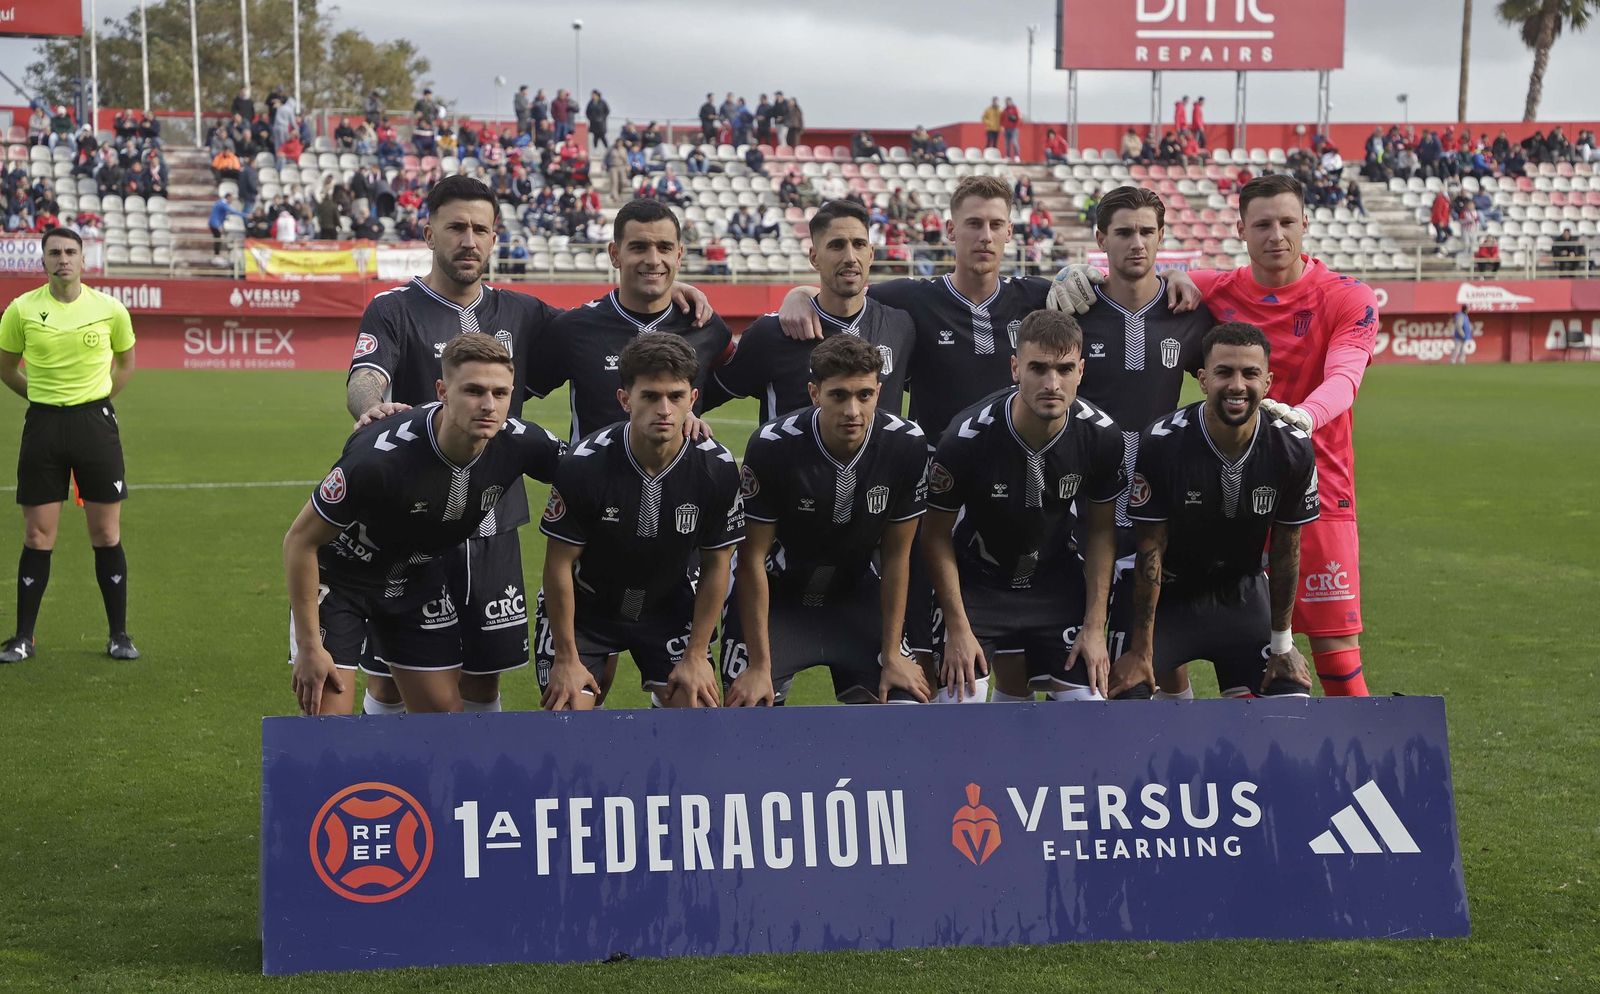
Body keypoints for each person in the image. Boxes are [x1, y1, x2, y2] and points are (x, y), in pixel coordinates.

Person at [1055, 174, 1380, 696]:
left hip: (1317, 485)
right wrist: (1075, 271)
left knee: (1335, 655)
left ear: (1306, 225)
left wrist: (1303, 418)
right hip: (1223, 495)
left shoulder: (1348, 297)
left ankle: (1363, 771)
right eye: (1263, 224)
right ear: (1242, 231)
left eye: (1287, 222)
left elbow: (1345, 377)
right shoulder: (1214, 292)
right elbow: (1144, 274)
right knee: (1223, 642)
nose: (1276, 235)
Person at [777, 177, 1062, 693]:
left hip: (1019, 498)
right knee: (941, 664)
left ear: (1010, 233)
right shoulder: (911, 300)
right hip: (937, 505)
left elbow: (1116, 292)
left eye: (997, 225)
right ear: (950, 230)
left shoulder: (1039, 299)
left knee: (1017, 660)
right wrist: (797, 294)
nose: (985, 236)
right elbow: (842, 288)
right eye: (973, 224)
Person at [285, 334, 564, 715]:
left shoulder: (520, 442)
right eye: (473, 390)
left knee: (442, 721)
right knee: (328, 725)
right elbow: (300, 542)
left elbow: (591, 473)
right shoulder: (378, 458)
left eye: (500, 393)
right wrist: (308, 646)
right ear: (442, 391)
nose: (488, 405)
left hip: (416, 582)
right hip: (341, 584)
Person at [1107, 322, 1317, 700]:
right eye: (1224, 372)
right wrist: (1140, 650)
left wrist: (1283, 644)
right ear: (1203, 379)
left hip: (1241, 590)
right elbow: (1150, 549)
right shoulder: (1162, 442)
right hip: (1170, 594)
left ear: (1267, 382)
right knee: (1128, 695)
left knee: (1289, 695)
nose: (1237, 385)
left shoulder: (1292, 447)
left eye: (1250, 373)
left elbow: (1287, 548)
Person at [924, 310, 1124, 703]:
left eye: (1065, 369)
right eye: (1038, 368)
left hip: (1056, 580)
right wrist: (958, 628)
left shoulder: (1102, 436)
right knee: (957, 704)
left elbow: (1101, 531)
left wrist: (1095, 625)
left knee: (1091, 707)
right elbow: (934, 537)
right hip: (978, 584)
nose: (1052, 383)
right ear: (1015, 367)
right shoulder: (966, 438)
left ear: (1081, 371)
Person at [536, 335, 744, 710]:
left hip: (667, 608)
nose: (664, 409)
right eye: (649, 396)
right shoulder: (583, 465)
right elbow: (558, 565)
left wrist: (697, 654)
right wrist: (566, 657)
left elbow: (717, 566)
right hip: (588, 611)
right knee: (566, 715)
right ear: (625, 399)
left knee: (695, 708)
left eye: (676, 396)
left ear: (692, 400)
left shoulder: (718, 468)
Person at [724, 335, 931, 707]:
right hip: (779, 596)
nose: (853, 410)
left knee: (905, 705)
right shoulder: (773, 445)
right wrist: (758, 666)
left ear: (879, 392)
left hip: (856, 593)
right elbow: (752, 558)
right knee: (747, 708)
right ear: (814, 392)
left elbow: (898, 557)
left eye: (864, 395)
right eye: (839, 395)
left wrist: (894, 653)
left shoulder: (906, 443)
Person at [1071, 187, 1211, 682]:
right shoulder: (1075, 313)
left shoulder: (1190, 315)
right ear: (1101, 240)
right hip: (1085, 504)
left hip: (1162, 501)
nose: (1137, 243)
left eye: (1147, 232)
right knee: (1081, 655)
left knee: (1166, 657)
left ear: (1161, 237)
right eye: (1124, 232)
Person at [0, 228, 139, 663]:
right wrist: (43, 399)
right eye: (55, 252)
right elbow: (6, 368)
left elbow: (126, 363)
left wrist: (93, 402)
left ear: (84, 260)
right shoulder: (20, 310)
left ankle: (119, 635)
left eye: (70, 252)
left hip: (94, 424)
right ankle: (23, 637)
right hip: (43, 425)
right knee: (38, 534)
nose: (63, 259)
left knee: (105, 533)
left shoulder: (110, 309)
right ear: (42, 261)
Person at [529, 198, 732, 445]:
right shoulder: (573, 329)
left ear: (679, 255)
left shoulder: (706, 326)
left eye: (664, 248)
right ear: (615, 255)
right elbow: (512, 395)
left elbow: (731, 384)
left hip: (679, 481)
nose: (653, 259)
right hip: (595, 482)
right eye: (639, 247)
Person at [713, 200, 915, 423]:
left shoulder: (900, 325)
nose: (850, 257)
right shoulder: (771, 333)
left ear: (871, 254)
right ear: (814, 257)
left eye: (858, 244)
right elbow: (703, 395)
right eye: (837, 245)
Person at [208, 193, 246, 258]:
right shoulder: (223, 204)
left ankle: (217, 256)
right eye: (231, 199)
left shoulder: (220, 202)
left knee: (218, 240)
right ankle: (216, 256)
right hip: (215, 224)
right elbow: (233, 211)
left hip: (215, 224)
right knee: (218, 240)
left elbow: (221, 214)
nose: (232, 200)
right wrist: (246, 215)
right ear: (228, 198)